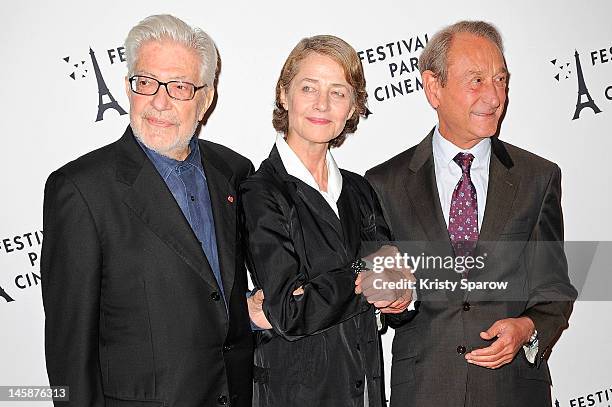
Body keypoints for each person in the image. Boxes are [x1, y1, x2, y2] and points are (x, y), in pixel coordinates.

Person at [41, 14, 256, 407]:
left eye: (179, 86)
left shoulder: (235, 172)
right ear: (127, 88)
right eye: (146, 82)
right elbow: (69, 355)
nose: (159, 101)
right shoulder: (79, 190)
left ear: (205, 99)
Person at [365, 21, 577, 407]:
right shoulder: (383, 184)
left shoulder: (538, 178)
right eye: (476, 80)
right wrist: (395, 298)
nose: (494, 96)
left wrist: (525, 329)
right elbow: (388, 301)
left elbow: (554, 291)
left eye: (500, 80)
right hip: (425, 390)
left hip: (513, 390)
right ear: (434, 87)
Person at [239, 35, 412, 407]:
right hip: (296, 395)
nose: (322, 104)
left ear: (353, 108)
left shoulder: (360, 189)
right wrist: (363, 274)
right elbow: (288, 312)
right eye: (308, 88)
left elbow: (394, 279)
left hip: (366, 389)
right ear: (284, 96)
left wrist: (400, 294)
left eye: (338, 92)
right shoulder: (260, 193)